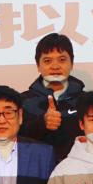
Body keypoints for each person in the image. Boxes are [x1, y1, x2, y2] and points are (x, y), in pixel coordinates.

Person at [20, 33, 86, 161]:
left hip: (79, 169)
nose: (55, 66)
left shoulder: (86, 100)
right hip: (36, 169)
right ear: (38, 66)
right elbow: (14, 140)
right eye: (47, 61)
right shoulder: (23, 101)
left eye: (62, 60)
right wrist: (41, 123)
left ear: (72, 63)